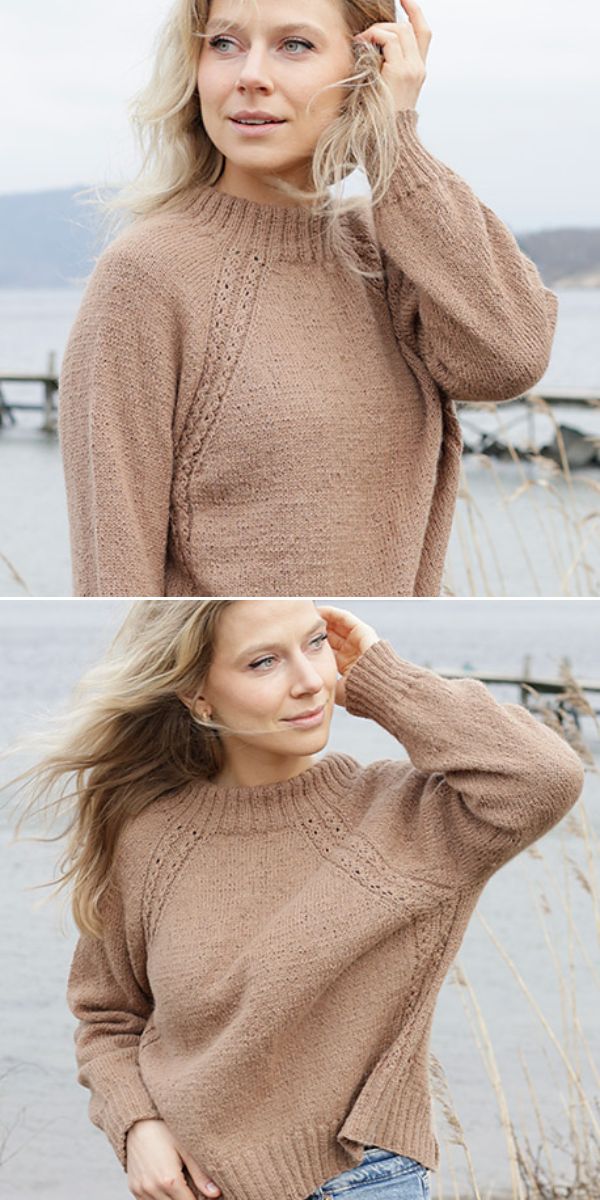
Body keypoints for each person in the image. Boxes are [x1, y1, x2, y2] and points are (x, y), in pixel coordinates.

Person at [8, 598, 584, 1200]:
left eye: (315, 643)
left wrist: (379, 679)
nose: (311, 682)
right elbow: (108, 1017)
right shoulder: (148, 837)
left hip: (359, 1179)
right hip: (195, 1184)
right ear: (198, 695)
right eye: (263, 662)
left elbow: (544, 775)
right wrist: (138, 1125)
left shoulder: (406, 816)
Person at [57, 0, 558, 598]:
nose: (250, 75)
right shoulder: (146, 276)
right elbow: (113, 583)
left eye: (295, 45)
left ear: (367, 67)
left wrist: (393, 134)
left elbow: (510, 357)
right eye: (224, 43)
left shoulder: (392, 250)